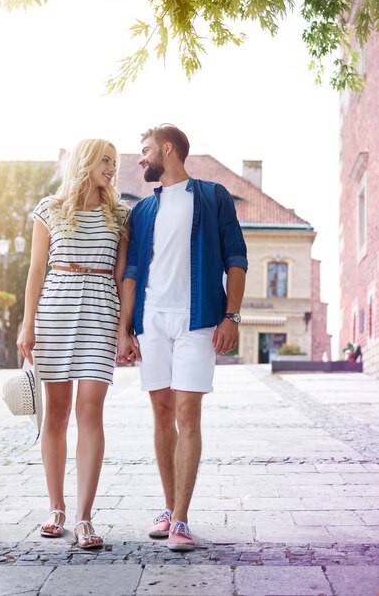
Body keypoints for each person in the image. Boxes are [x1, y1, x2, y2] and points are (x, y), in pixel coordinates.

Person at [117, 125, 247, 552]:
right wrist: (126, 329)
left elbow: (236, 258)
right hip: (153, 321)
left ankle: (182, 520)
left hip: (198, 320)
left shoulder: (213, 197)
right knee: (161, 412)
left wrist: (231, 316)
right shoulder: (142, 212)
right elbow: (133, 273)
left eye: (146, 151)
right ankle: (169, 508)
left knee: (188, 412)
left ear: (167, 150)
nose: (141, 160)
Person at [17, 139, 130, 549]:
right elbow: (35, 271)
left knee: (90, 413)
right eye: (106, 160)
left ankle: (84, 516)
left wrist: (124, 330)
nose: (112, 169)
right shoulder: (49, 209)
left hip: (101, 312)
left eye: (115, 163)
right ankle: (56, 508)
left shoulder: (120, 215)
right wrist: (27, 323)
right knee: (56, 414)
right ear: (85, 161)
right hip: (55, 313)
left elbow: (121, 278)